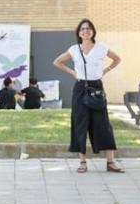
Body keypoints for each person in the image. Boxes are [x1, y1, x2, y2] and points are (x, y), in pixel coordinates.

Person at [52, 19, 124, 173]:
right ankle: (82, 162)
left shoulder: (101, 47)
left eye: (89, 28)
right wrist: (72, 72)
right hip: (80, 88)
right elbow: (57, 62)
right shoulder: (74, 49)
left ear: (93, 32)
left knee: (103, 124)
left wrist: (106, 70)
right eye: (83, 29)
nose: (86, 31)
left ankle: (110, 162)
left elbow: (117, 59)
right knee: (80, 123)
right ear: (79, 33)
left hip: (96, 87)